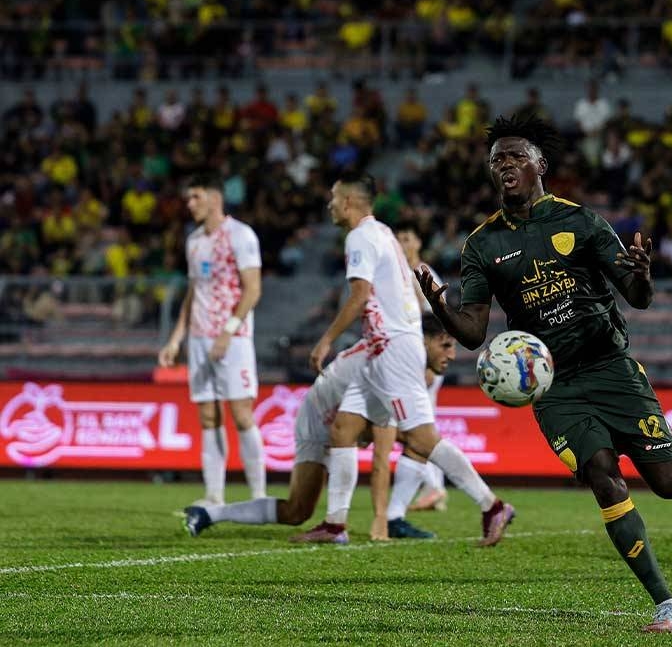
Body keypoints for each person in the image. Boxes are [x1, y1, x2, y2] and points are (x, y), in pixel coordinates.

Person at [415, 114, 672, 633]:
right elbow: (473, 331)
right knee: (603, 477)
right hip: (554, 386)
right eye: (498, 159)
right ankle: (665, 603)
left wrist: (643, 276)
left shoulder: (580, 221)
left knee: (670, 484)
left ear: (540, 164)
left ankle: (664, 453)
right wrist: (439, 305)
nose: (507, 165)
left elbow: (637, 298)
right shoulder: (482, 244)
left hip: (611, 366)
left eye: (517, 156)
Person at [308, 172, 514, 545]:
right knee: (344, 428)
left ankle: (491, 505)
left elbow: (359, 296)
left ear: (350, 202)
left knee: (420, 437)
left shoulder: (360, 237)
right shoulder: (383, 232)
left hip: (393, 349)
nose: (330, 205)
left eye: (334, 197)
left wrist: (326, 341)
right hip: (383, 348)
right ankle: (335, 524)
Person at [183, 314, 457, 540]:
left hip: (347, 419)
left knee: (419, 439)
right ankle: (211, 513)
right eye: (445, 346)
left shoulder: (397, 359)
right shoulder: (388, 366)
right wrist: (377, 522)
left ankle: (389, 519)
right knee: (297, 512)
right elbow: (379, 462)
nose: (452, 355)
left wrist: (382, 518)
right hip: (317, 416)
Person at [158, 173, 267, 507]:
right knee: (207, 415)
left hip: (233, 339)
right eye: (189, 198)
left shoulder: (240, 235)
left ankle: (259, 494)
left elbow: (253, 289)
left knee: (241, 413)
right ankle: (214, 495)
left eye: (196, 197)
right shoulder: (193, 241)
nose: (190, 204)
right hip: (200, 339)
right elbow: (194, 294)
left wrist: (228, 330)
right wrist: (176, 339)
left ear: (215, 199)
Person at [395, 223, 448, 511]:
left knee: (414, 423)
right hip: (412, 356)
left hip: (425, 357)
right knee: (421, 422)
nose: (401, 244)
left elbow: (440, 317)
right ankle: (433, 487)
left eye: (406, 238)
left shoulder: (422, 274)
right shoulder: (401, 274)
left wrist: (432, 363)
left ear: (417, 243)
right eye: (398, 239)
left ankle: (435, 486)